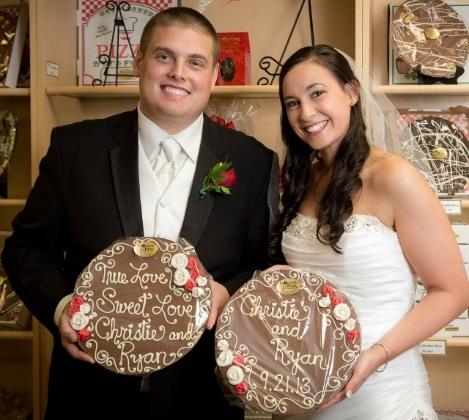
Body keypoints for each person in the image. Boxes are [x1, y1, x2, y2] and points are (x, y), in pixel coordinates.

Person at [2, 7, 278, 420]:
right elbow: (26, 249)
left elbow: (263, 264)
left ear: (213, 77)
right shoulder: (75, 148)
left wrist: (227, 292)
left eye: (195, 62)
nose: (178, 73)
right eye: (165, 56)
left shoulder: (254, 162)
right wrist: (61, 309)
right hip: (89, 392)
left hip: (202, 396)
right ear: (140, 63)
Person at [268, 44, 469, 420]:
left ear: (351, 92)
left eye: (317, 93)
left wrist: (376, 355)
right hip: (307, 386)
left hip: (380, 388)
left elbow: (454, 292)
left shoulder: (394, 177)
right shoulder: (303, 179)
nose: (306, 113)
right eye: (292, 103)